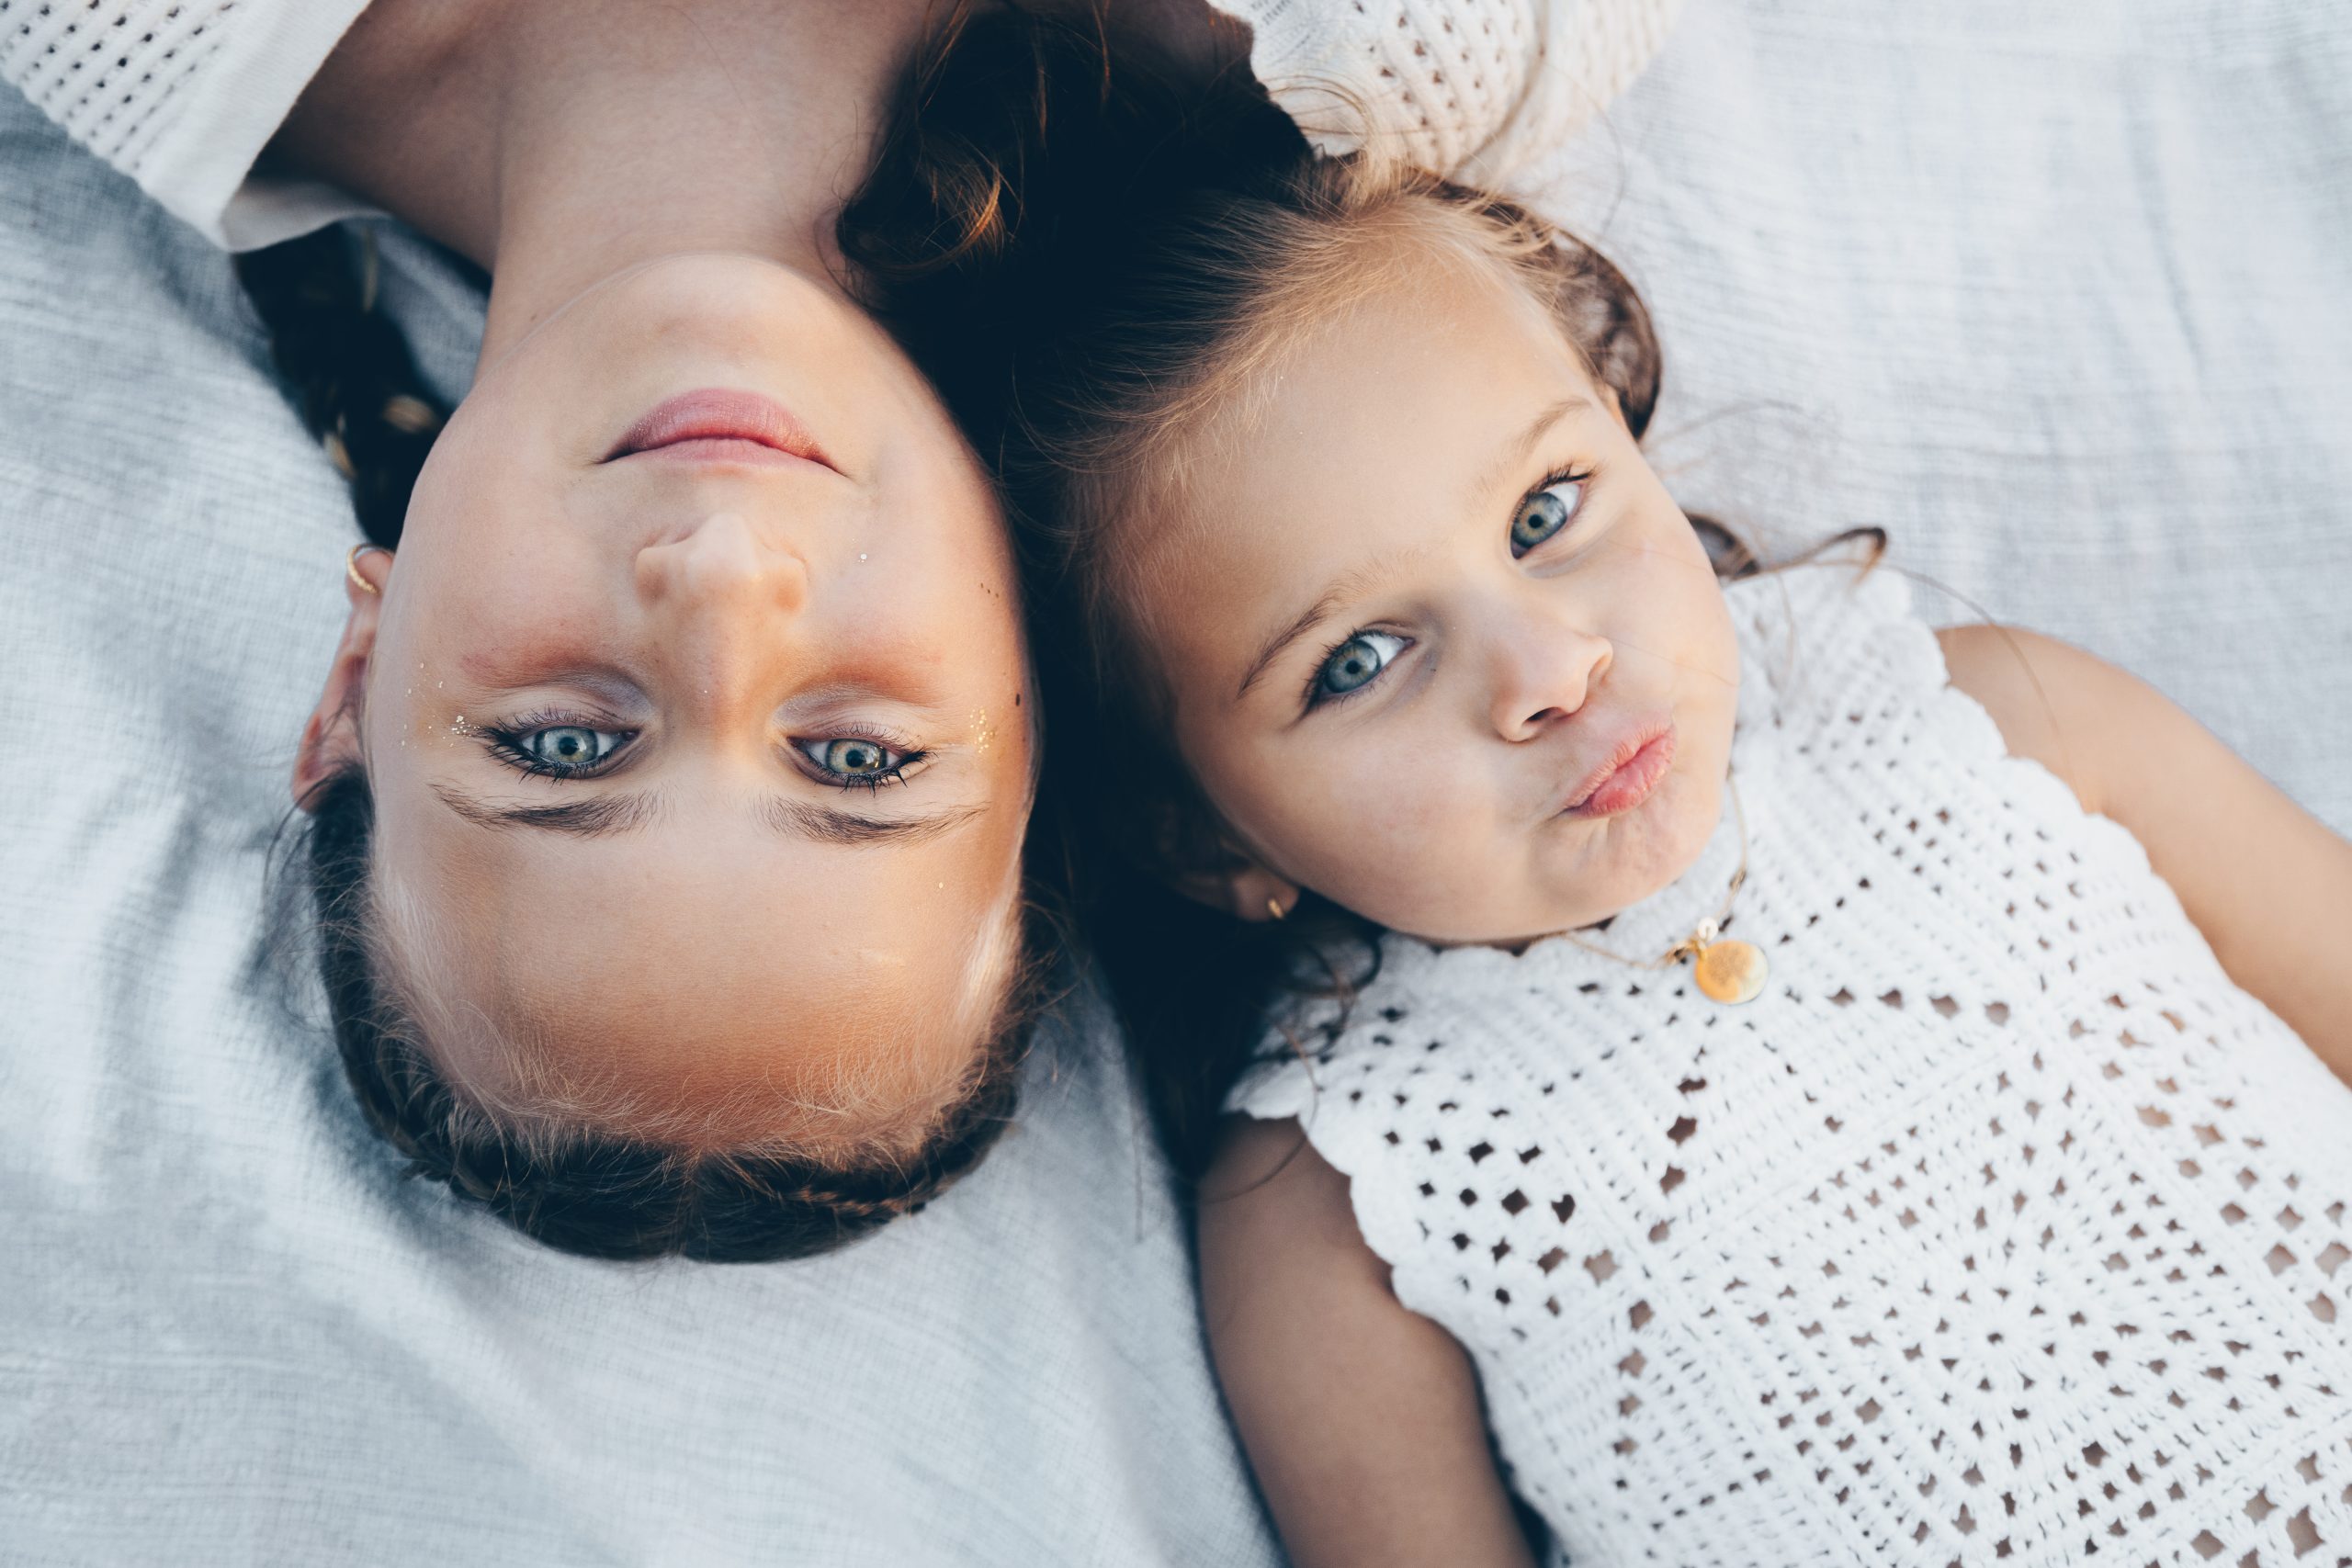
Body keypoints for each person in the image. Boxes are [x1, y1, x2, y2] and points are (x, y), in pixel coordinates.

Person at [853, 22, 2352, 1562]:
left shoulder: (1992, 726)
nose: (1548, 666)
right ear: (1197, 829)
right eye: (1361, 658)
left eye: (1549, 510)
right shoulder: (1339, 1204)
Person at [0, 0, 1679, 1260]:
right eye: (859, 756)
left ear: (358, 680)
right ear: (1033, 695)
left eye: (565, 744)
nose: (726, 577)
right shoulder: (1384, 64)